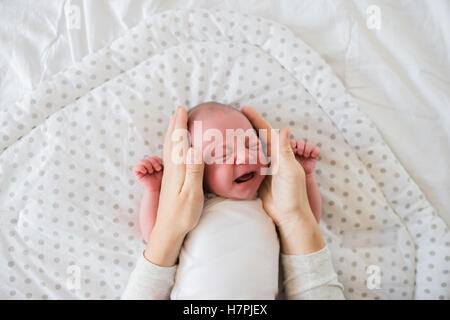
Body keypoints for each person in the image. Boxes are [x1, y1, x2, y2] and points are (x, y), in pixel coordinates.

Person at [122, 106, 345, 299]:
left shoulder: (267, 204)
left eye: (252, 146)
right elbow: (155, 236)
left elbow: (308, 222)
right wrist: (154, 191)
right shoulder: (196, 208)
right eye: (221, 154)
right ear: (194, 168)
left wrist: (304, 176)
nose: (245, 157)